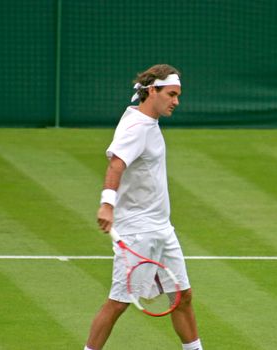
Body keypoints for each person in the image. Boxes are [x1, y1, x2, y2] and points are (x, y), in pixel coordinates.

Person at [85, 64, 203, 350]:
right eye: (171, 94)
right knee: (118, 303)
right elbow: (117, 163)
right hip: (139, 231)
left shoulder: (148, 122)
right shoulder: (136, 127)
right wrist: (107, 204)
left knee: (182, 297)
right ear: (153, 91)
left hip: (161, 228)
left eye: (178, 95)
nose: (176, 101)